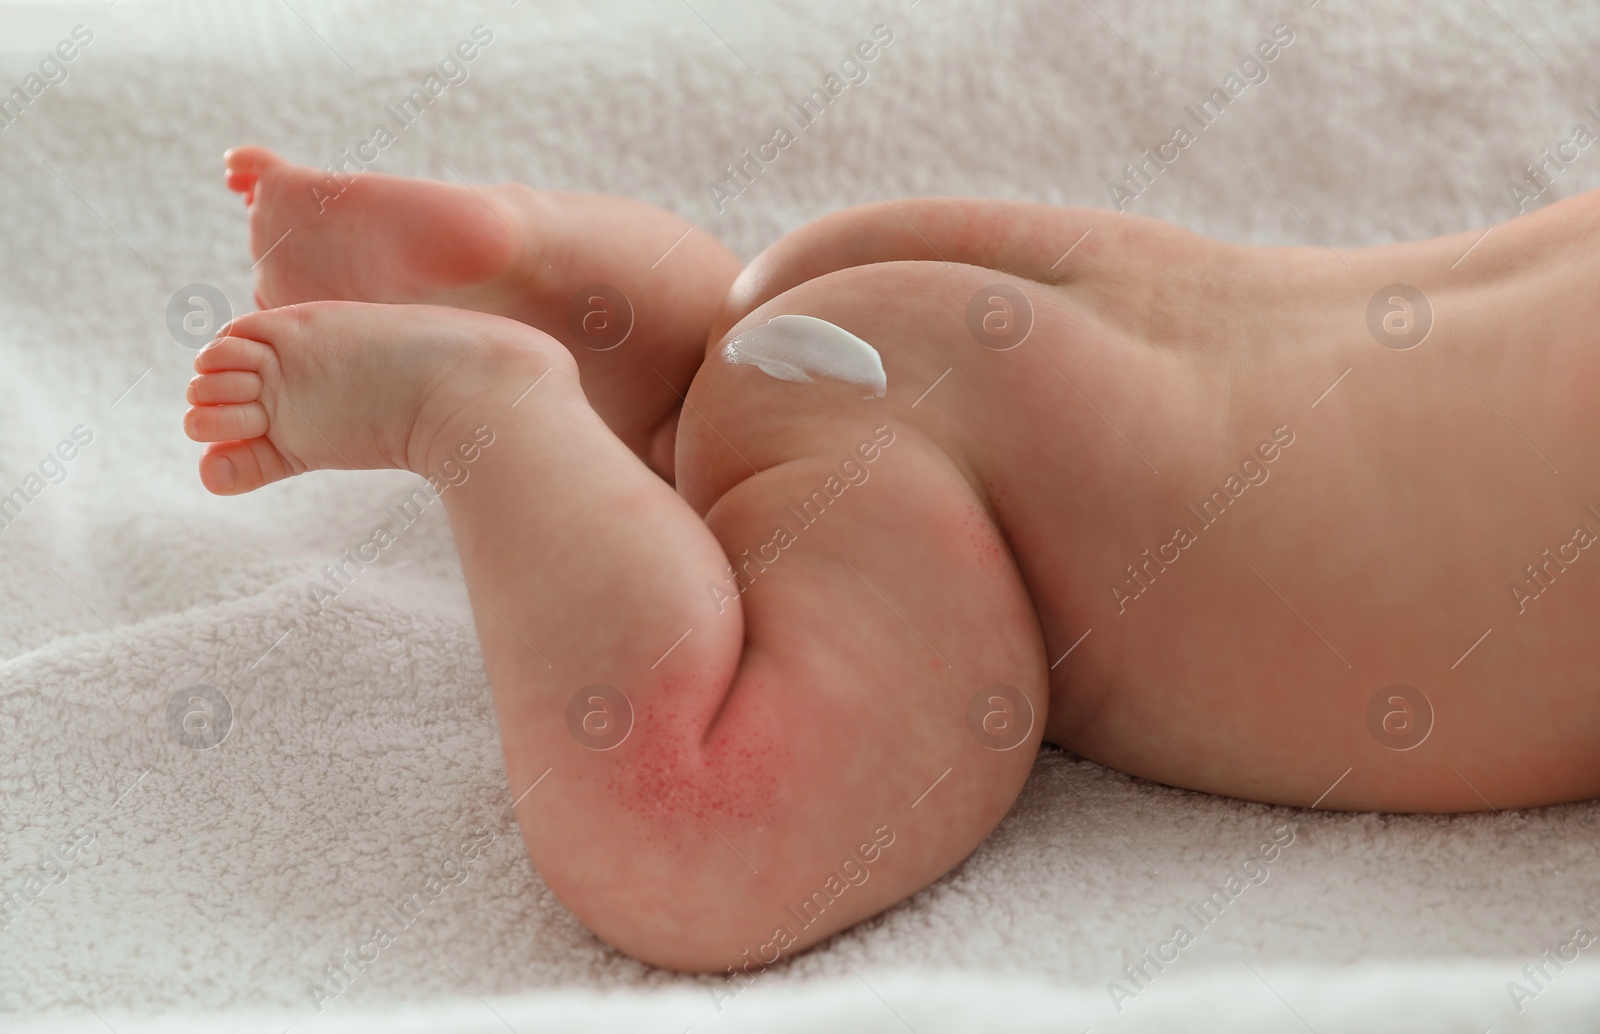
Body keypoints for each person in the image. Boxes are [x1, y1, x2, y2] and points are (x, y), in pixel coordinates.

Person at [185, 146, 1600, 973]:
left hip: (996, 302)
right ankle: (479, 405)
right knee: (693, 822)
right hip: (979, 480)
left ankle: (584, 299)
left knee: (736, 387)